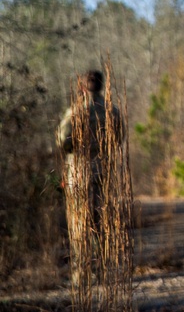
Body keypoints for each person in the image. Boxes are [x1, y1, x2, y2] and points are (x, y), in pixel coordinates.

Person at [56, 69, 124, 283]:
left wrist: (75, 148)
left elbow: (62, 140)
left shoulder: (76, 111)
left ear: (83, 86)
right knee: (102, 223)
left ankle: (81, 275)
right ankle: (103, 272)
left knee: (79, 225)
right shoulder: (111, 111)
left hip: (79, 174)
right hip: (102, 173)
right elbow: (118, 139)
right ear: (102, 86)